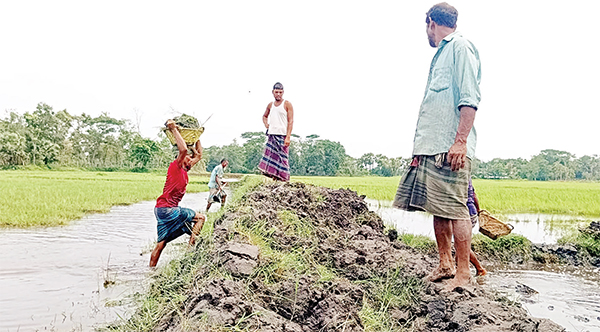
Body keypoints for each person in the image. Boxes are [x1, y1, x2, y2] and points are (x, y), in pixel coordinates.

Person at [392, 2, 481, 290]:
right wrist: (419, 151)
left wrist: (459, 142)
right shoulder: (441, 54)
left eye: (426, 26)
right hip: (431, 146)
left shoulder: (460, 48)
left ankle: (463, 273)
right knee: (438, 208)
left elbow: (469, 98)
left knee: (456, 210)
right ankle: (445, 264)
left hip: (449, 146)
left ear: (431, 22)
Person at [150, 120, 205, 267]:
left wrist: (196, 135)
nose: (190, 160)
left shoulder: (185, 169)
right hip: (168, 210)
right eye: (187, 158)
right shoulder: (175, 167)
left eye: (190, 159)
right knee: (200, 218)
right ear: (180, 159)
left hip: (161, 210)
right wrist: (174, 129)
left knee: (161, 244)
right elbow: (183, 151)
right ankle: (190, 251)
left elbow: (198, 156)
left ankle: (150, 270)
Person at [258, 82, 294, 182]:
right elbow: (264, 116)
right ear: (273, 92)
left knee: (283, 159)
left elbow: (290, 121)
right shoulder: (270, 105)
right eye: (276, 92)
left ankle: (285, 180)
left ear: (283, 93)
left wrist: (288, 136)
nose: (278, 94)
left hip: (282, 135)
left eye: (280, 92)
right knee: (272, 158)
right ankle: (274, 179)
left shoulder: (287, 104)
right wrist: (266, 124)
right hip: (272, 135)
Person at [467, 178, 487, 276]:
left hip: (465, 213)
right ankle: (457, 266)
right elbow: (474, 196)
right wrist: (478, 211)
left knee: (462, 244)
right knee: (460, 242)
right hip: (472, 212)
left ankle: (480, 269)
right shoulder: (468, 178)